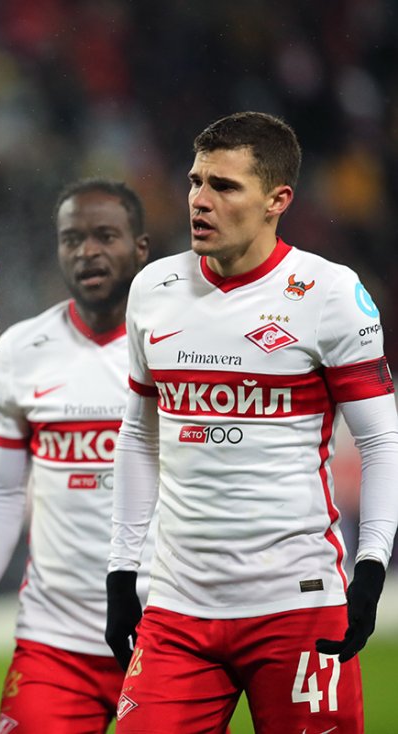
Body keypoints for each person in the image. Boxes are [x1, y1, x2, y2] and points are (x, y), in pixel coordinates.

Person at [106, 111, 398, 733]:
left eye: (224, 186)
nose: (199, 200)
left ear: (276, 200)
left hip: (298, 604)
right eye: (195, 181)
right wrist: (121, 570)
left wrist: (372, 567)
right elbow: (139, 435)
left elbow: (380, 442)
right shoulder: (153, 288)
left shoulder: (329, 293)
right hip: (177, 610)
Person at [0, 180, 152, 734]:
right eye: (72, 239)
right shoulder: (20, 352)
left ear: (140, 247)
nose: (87, 251)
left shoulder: (176, 348)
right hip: (54, 642)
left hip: (164, 636)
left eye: (105, 236)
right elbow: (1, 492)